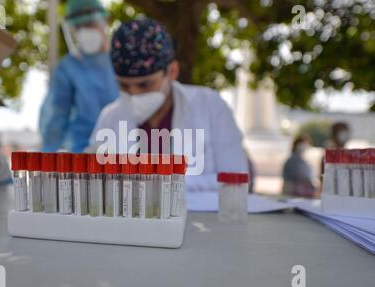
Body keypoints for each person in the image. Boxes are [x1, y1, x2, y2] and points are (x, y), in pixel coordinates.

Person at [87, 18, 248, 191]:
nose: (133, 94)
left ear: (172, 72)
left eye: (144, 85)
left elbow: (236, 180)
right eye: (124, 86)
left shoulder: (210, 106)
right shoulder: (110, 117)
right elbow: (90, 181)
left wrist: (159, 184)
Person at [39, 0, 118, 153]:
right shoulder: (68, 68)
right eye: (78, 27)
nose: (85, 31)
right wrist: (48, 158)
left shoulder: (124, 61)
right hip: (82, 154)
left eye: (89, 24)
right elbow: (56, 117)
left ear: (104, 21)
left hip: (127, 153)